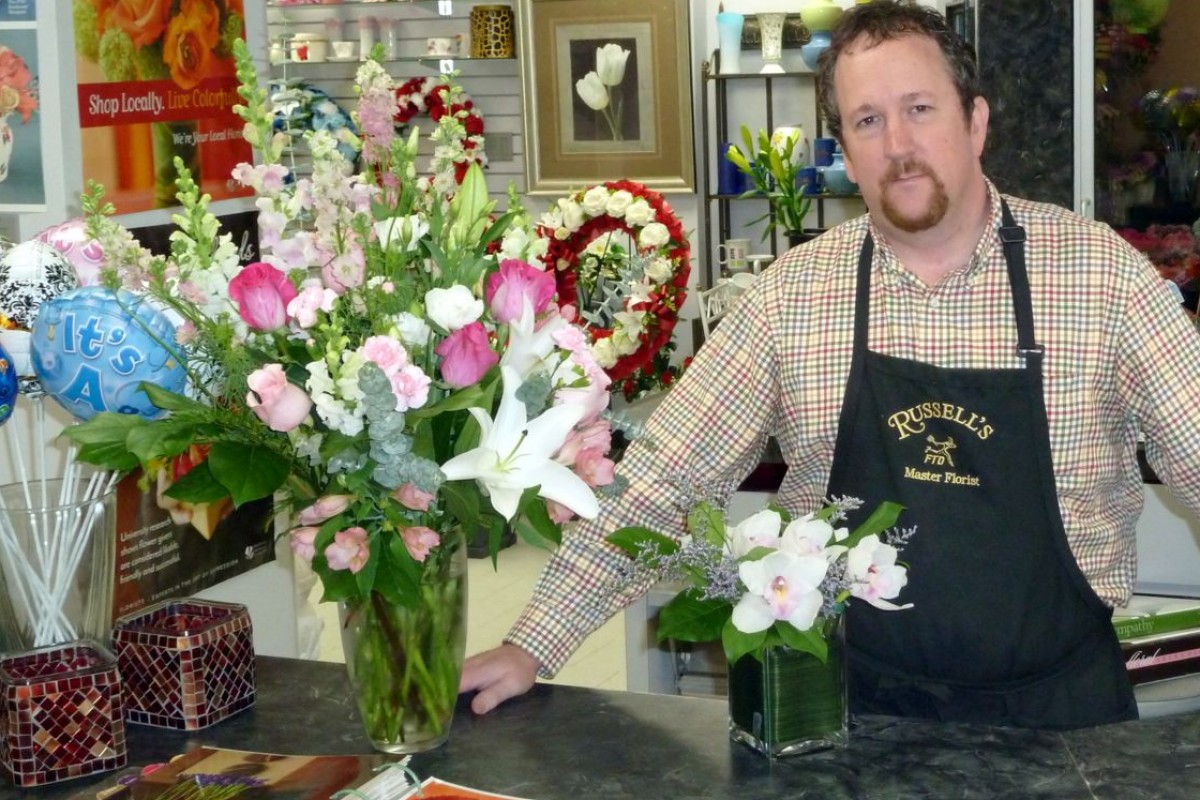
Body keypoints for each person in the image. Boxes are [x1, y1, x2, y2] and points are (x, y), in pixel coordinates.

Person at [460, 1, 1200, 729]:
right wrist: (533, 642)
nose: (897, 144)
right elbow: (662, 481)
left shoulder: (1102, 279)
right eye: (868, 121)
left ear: (975, 122)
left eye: (920, 109)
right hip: (848, 715)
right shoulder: (792, 297)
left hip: (1063, 712)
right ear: (844, 148)